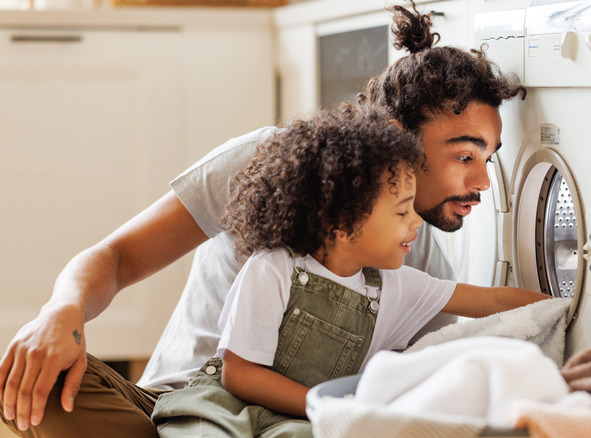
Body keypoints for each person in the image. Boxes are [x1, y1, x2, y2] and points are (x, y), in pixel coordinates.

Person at [0, 1, 526, 437]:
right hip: (175, 406)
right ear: (398, 134)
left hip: (287, 425)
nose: (481, 183)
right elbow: (117, 257)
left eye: (490, 159)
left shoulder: (415, 254)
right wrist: (60, 311)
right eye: (464, 156)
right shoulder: (271, 162)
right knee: (30, 381)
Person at [150, 102, 548, 437]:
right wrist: (323, 404)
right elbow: (240, 375)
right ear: (342, 221)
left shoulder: (397, 284)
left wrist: (564, 307)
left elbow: (493, 299)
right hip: (225, 403)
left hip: (297, 419)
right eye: (401, 211)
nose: (415, 223)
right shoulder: (272, 269)